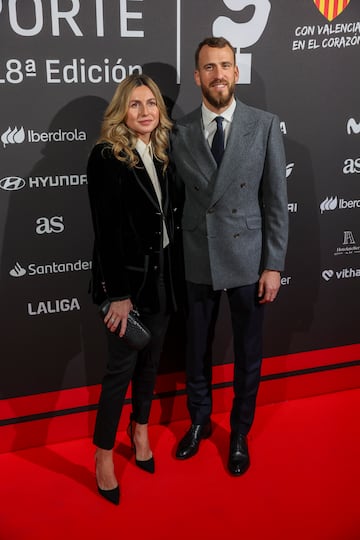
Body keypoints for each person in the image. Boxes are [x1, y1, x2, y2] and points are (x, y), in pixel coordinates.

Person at [171, 37, 288, 476]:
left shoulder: (264, 125)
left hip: (248, 259)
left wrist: (273, 264)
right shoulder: (178, 131)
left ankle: (239, 431)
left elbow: (275, 201)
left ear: (237, 72)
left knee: (248, 353)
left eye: (225, 65)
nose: (217, 74)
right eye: (208, 67)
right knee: (196, 349)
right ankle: (199, 421)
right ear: (197, 76)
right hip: (198, 256)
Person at [87, 74, 180, 504]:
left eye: (152, 104)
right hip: (125, 283)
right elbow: (106, 231)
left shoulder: (162, 152)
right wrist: (119, 294)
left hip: (161, 277)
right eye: (136, 104)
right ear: (121, 110)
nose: (146, 112)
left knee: (152, 362)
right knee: (119, 370)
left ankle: (139, 429)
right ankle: (103, 456)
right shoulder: (106, 156)